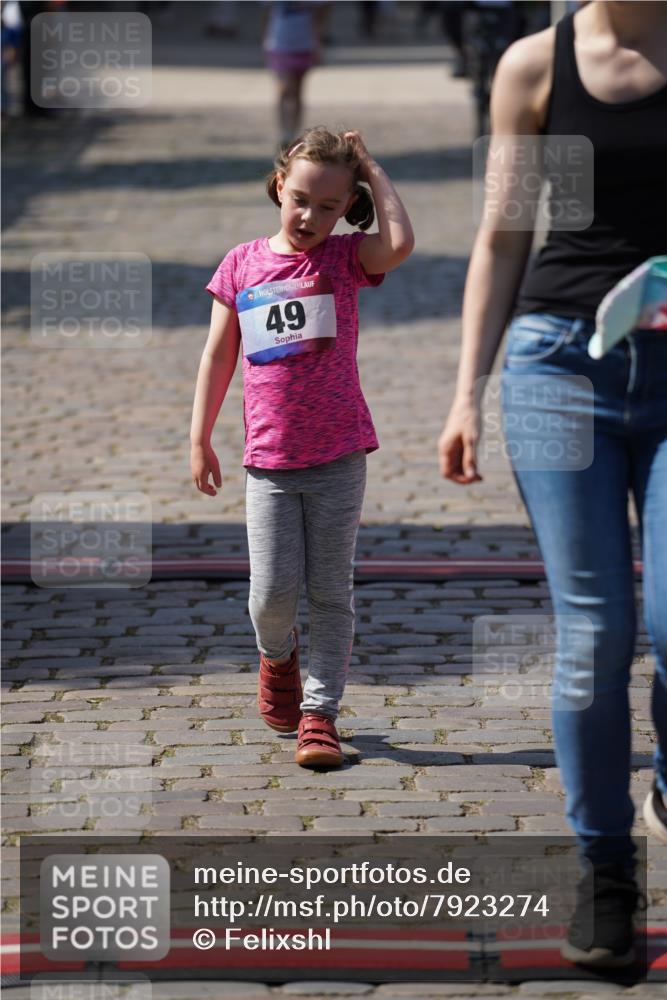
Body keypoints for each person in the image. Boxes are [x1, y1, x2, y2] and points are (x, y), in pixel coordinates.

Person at [438, 0, 667, 970]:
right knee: (594, 630)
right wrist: (465, 393)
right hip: (556, 367)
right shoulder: (536, 67)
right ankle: (605, 875)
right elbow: (501, 236)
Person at [191, 127, 414, 769]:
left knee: (330, 592)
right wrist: (199, 436)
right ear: (278, 187)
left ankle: (320, 715)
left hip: (339, 454)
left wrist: (370, 164)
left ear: (348, 206)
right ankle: (277, 655)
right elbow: (218, 354)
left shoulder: (345, 261)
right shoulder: (240, 264)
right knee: (271, 595)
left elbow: (399, 243)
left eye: (328, 205)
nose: (310, 215)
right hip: (268, 462)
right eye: (300, 199)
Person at [262, 1, 329, 149]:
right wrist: (265, 37)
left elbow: (321, 14)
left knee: (298, 90)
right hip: (279, 43)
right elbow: (267, 12)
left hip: (304, 44)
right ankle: (284, 132)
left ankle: (293, 132)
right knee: (285, 89)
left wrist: (318, 42)